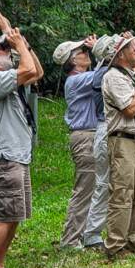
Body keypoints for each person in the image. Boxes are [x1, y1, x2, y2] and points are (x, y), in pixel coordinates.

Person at [102, 34, 135, 257]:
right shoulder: (114, 77)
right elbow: (130, 109)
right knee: (122, 195)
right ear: (120, 54)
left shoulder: (130, 74)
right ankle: (115, 245)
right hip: (124, 140)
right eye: (130, 48)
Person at [0, 12, 41, 268]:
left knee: (14, 214)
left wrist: (19, 39)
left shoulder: (7, 77)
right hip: (4, 155)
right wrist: (14, 37)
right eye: (1, 48)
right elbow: (30, 70)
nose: (6, 50)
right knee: (3, 214)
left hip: (16, 153)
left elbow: (38, 72)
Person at [53, 34, 100, 249]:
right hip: (85, 136)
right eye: (84, 51)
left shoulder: (82, 77)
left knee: (91, 188)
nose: (88, 53)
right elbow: (106, 73)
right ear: (72, 61)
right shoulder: (77, 80)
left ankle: (85, 236)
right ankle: (71, 240)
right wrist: (101, 49)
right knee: (84, 189)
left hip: (89, 135)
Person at [81, 34, 119, 250]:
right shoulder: (105, 73)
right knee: (104, 184)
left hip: (106, 129)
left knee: (109, 184)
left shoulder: (101, 70)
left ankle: (101, 232)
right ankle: (93, 234)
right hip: (106, 128)